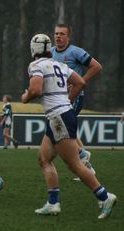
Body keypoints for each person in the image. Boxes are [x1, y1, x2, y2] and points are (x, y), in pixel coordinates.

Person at [21, 33, 116, 219]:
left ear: (33, 49)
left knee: (74, 165)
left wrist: (25, 97)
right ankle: (53, 203)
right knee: (43, 158)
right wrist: (68, 99)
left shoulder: (36, 65)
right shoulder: (59, 64)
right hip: (62, 115)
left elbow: (36, 89)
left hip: (58, 118)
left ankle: (104, 196)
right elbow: (80, 82)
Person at [52, 24, 101, 178]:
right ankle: (85, 161)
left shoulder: (76, 51)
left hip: (75, 96)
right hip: (59, 99)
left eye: (62, 34)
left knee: (61, 128)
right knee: (65, 130)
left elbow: (96, 66)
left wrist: (80, 81)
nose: (58, 36)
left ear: (68, 37)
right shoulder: (50, 53)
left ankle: (82, 156)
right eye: (56, 33)